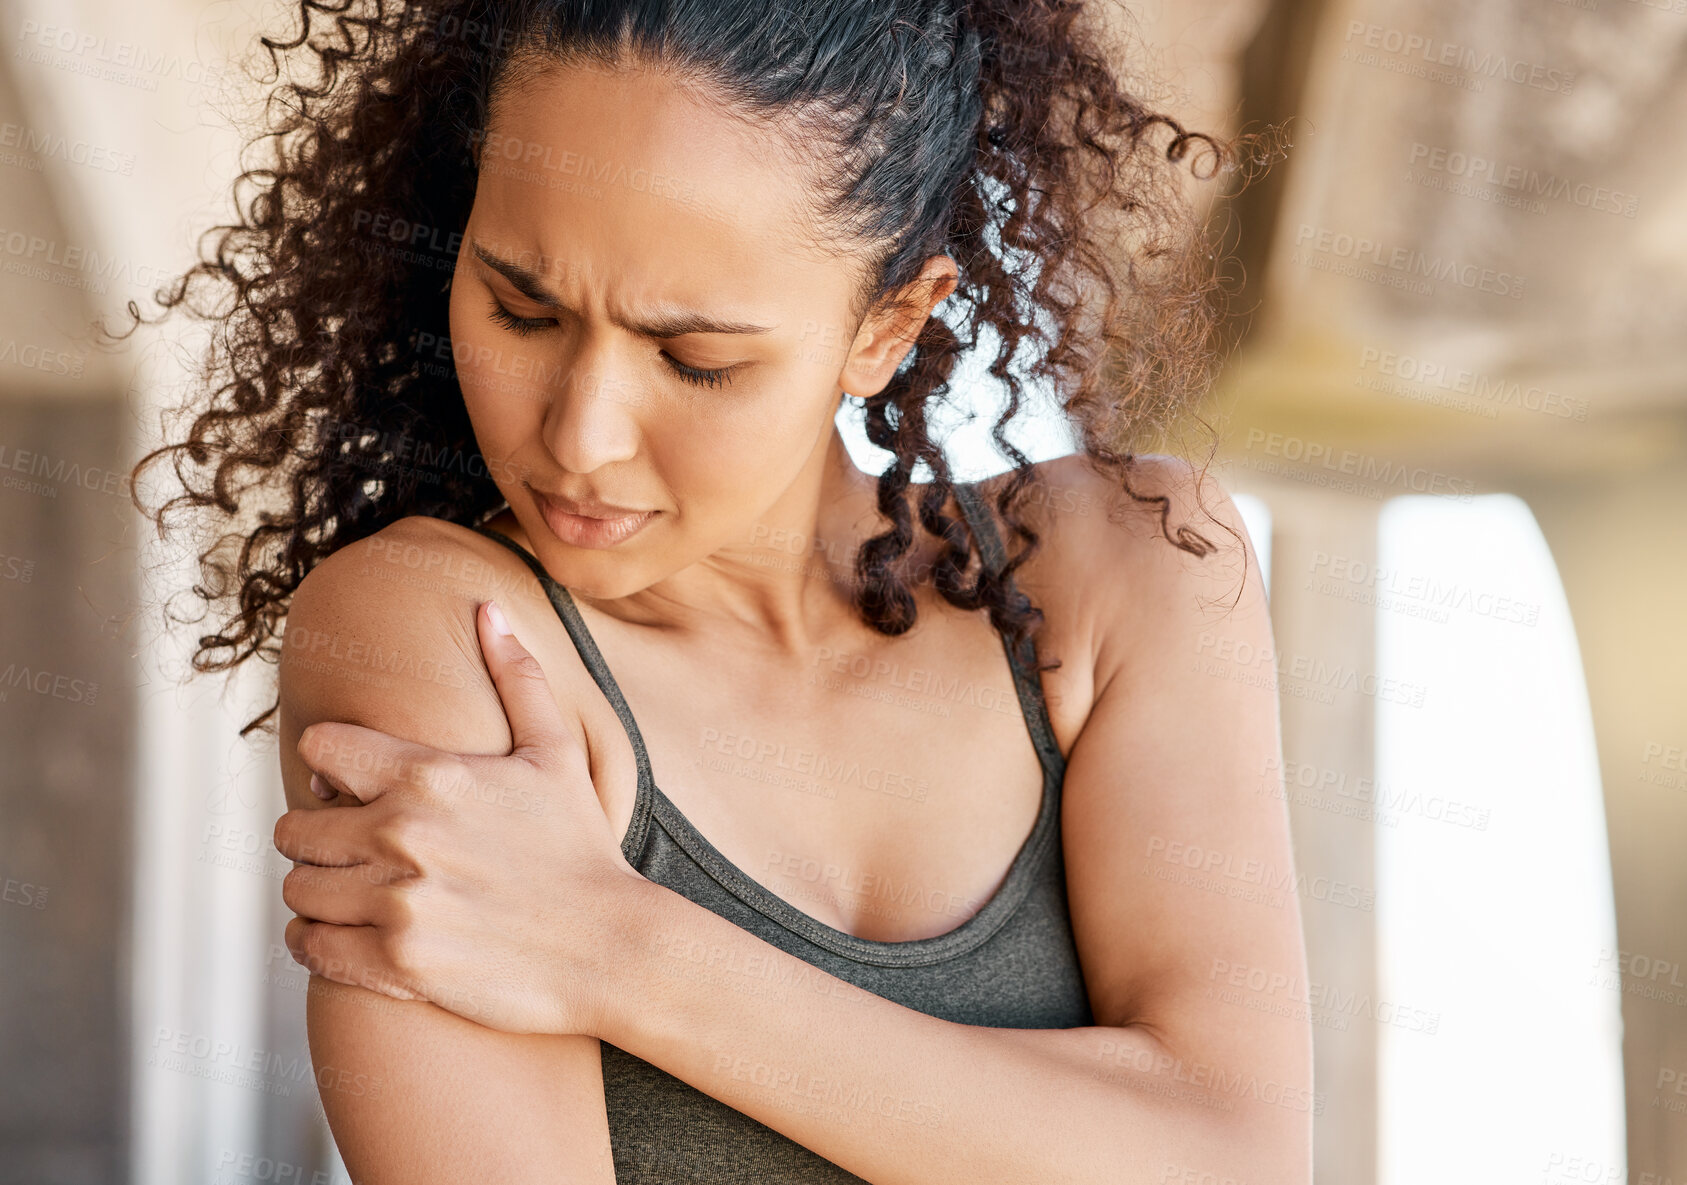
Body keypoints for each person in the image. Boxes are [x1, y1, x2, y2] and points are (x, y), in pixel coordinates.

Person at [126, 1, 1310, 1180]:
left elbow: (1236, 1158)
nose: (580, 438)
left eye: (696, 361)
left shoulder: (1135, 570)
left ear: (888, 326)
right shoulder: (442, 638)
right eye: (520, 310)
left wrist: (615, 946)